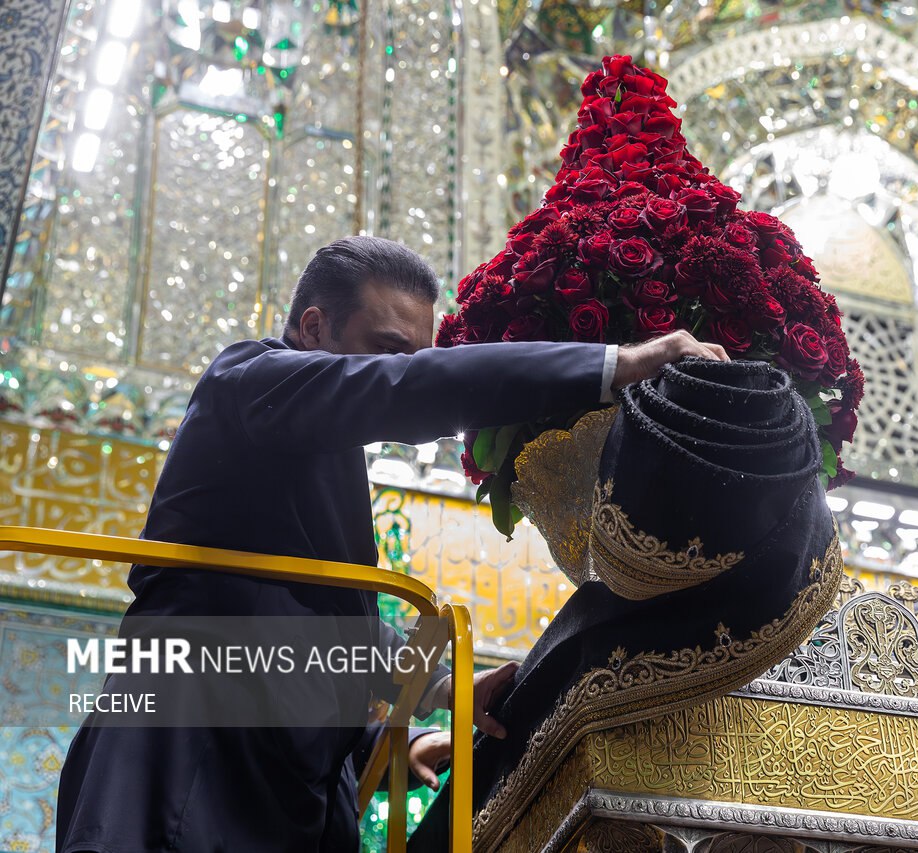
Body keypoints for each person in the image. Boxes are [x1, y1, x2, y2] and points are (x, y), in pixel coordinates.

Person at [55, 235, 728, 853]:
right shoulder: (247, 379)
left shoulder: (320, 453)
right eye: (389, 347)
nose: (405, 370)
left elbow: (324, 623)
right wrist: (620, 363)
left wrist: (435, 698)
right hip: (178, 775)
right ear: (314, 327)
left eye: (419, 352)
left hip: (285, 801)